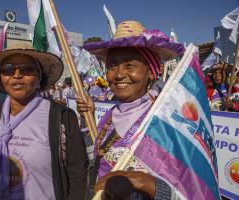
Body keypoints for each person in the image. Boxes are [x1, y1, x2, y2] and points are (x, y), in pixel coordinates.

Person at [0, 44, 88, 200]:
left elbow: (78, 176)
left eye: (26, 69)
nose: (16, 75)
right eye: (8, 69)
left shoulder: (61, 117)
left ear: (39, 76)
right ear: (1, 77)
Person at [76, 21, 185, 199]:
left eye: (129, 65)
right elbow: (95, 161)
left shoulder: (166, 121)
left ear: (151, 71)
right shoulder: (109, 117)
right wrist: (87, 122)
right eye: (112, 65)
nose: (118, 74)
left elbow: (188, 189)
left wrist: (148, 184)